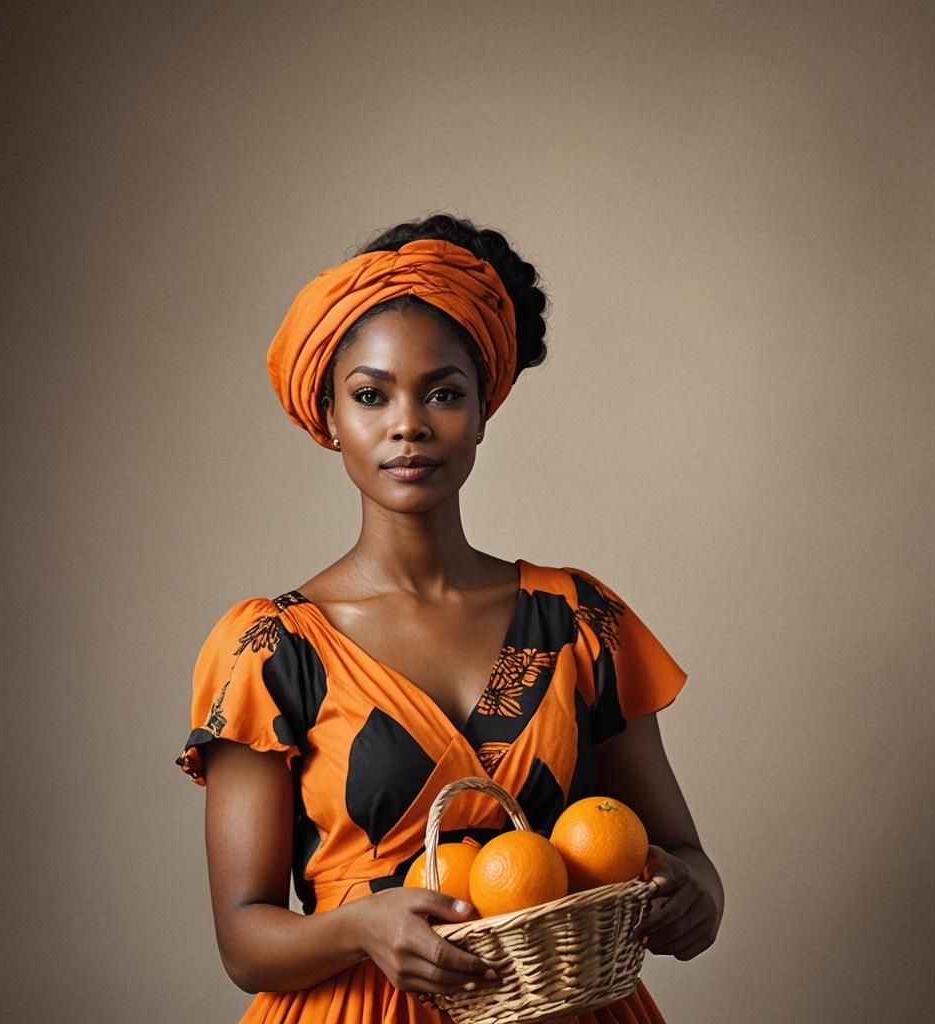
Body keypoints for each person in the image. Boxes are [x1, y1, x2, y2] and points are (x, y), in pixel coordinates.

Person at [175, 213, 724, 1023]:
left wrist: (694, 896)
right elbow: (243, 939)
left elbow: (686, 856)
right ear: (329, 417)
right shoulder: (270, 649)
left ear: (483, 411)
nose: (409, 424)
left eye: (443, 393)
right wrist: (359, 927)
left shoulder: (579, 621)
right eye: (371, 395)